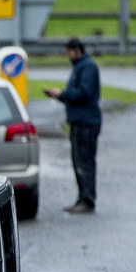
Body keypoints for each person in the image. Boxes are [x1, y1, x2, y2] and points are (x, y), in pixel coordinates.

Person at [45, 38, 101, 214]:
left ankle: (87, 200)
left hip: (86, 123)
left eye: (68, 52)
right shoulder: (81, 67)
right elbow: (77, 95)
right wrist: (60, 96)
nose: (67, 56)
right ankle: (82, 198)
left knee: (83, 162)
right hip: (80, 121)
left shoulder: (87, 67)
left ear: (76, 50)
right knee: (79, 161)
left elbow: (84, 94)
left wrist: (63, 93)